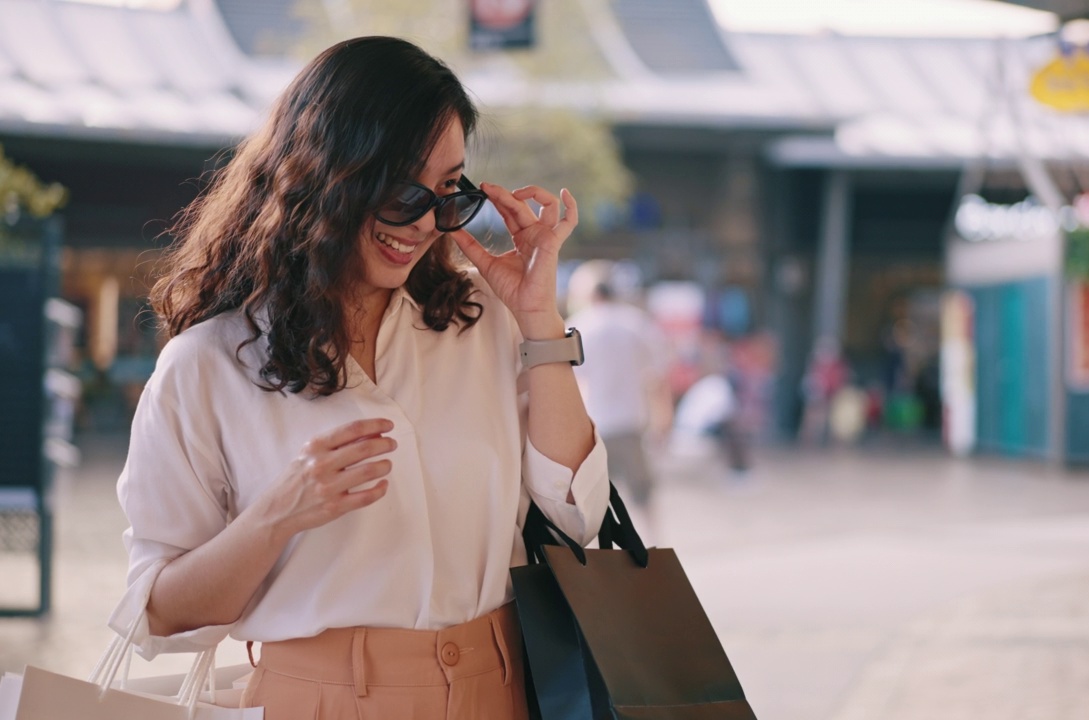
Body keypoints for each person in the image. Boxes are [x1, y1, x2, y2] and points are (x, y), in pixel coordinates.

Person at [109, 37, 610, 720]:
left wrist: (539, 320)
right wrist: (275, 517)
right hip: (316, 701)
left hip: (500, 692)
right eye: (404, 188)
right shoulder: (210, 364)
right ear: (327, 172)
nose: (427, 221)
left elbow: (576, 513)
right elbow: (159, 611)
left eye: (448, 193)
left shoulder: (480, 321)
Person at [566, 270, 671, 517]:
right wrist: (664, 420)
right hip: (631, 420)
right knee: (643, 494)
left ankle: (601, 551)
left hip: (594, 425)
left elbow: (574, 384)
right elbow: (657, 377)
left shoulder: (578, 326)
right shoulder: (636, 323)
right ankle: (650, 545)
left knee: (595, 498)